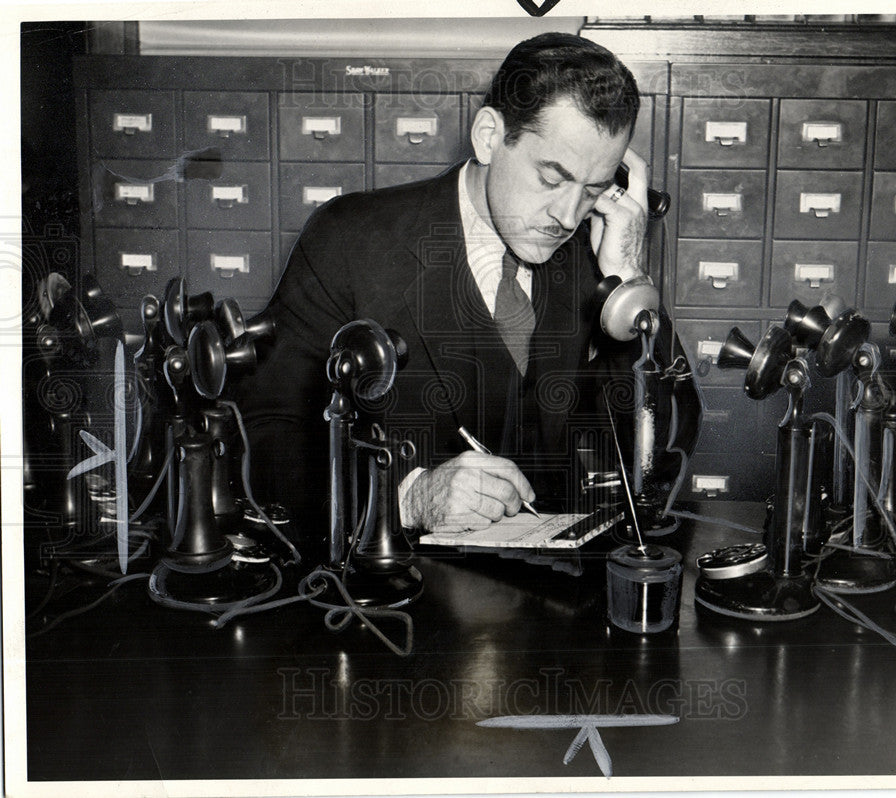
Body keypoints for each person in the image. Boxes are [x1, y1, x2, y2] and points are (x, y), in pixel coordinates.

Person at [235, 32, 700, 550]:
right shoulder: (351, 238)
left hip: (549, 590)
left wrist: (628, 279)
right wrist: (405, 499)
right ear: (487, 137)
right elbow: (264, 435)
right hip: (400, 588)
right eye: (552, 178)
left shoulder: (598, 251)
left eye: (593, 189)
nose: (568, 216)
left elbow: (666, 449)